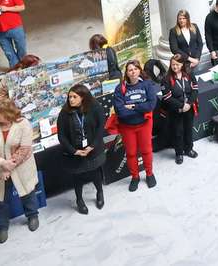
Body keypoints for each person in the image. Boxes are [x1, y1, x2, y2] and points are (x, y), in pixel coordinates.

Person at [0, 99, 40, 243]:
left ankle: (32, 215)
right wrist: (2, 164)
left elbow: (25, 148)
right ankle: (2, 226)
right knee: (0, 200)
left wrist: (9, 166)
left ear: (8, 113)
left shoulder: (23, 124)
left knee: (28, 193)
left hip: (21, 168)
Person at [57, 83, 106, 214]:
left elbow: (101, 127)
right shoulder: (64, 113)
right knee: (77, 176)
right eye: (69, 97)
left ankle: (100, 193)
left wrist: (92, 146)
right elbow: (61, 136)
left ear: (83, 97)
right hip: (75, 151)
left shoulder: (95, 107)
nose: (70, 100)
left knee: (95, 172)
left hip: (93, 148)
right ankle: (79, 200)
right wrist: (74, 151)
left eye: (74, 97)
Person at [112, 59, 160, 191]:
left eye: (135, 69)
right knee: (131, 153)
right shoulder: (120, 88)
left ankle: (149, 174)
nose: (133, 72)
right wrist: (140, 108)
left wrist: (132, 106)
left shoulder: (147, 84)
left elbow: (151, 105)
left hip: (144, 124)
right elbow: (120, 111)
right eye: (130, 70)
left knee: (146, 150)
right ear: (126, 73)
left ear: (139, 70)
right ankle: (135, 177)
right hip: (127, 127)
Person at [159, 53, 199, 164]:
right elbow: (167, 98)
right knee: (178, 132)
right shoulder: (166, 79)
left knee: (188, 130)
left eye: (177, 64)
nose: (175, 67)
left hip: (189, 108)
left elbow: (195, 90)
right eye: (173, 65)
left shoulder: (189, 74)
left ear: (182, 64)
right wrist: (181, 106)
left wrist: (189, 104)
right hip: (175, 111)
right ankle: (179, 153)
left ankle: (189, 149)